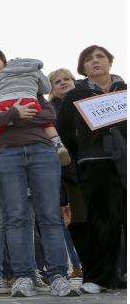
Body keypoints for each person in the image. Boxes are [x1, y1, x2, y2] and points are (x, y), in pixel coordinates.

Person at [0, 49, 81, 298]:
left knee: (50, 216)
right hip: (5, 155)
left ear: (5, 62)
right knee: (17, 218)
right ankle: (24, 277)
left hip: (43, 151)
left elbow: (49, 114)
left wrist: (5, 119)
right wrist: (14, 114)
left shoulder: (28, 83)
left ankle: (58, 277)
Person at [57, 46, 126, 294]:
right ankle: (98, 277)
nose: (95, 61)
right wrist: (81, 154)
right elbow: (63, 131)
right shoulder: (76, 94)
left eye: (100, 57)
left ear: (110, 62)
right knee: (103, 219)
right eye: (89, 59)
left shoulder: (125, 91)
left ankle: (115, 276)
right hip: (95, 162)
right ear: (82, 67)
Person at [0, 58, 69, 186]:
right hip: (30, 100)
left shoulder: (3, 74)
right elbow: (46, 88)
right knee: (45, 121)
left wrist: (8, 118)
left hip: (6, 105)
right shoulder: (35, 70)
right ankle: (58, 143)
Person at [47, 68, 85, 278]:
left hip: (92, 163)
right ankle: (78, 264)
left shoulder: (87, 100)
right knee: (71, 218)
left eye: (67, 79)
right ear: (51, 89)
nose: (63, 82)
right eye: (57, 81)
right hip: (65, 170)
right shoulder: (51, 110)